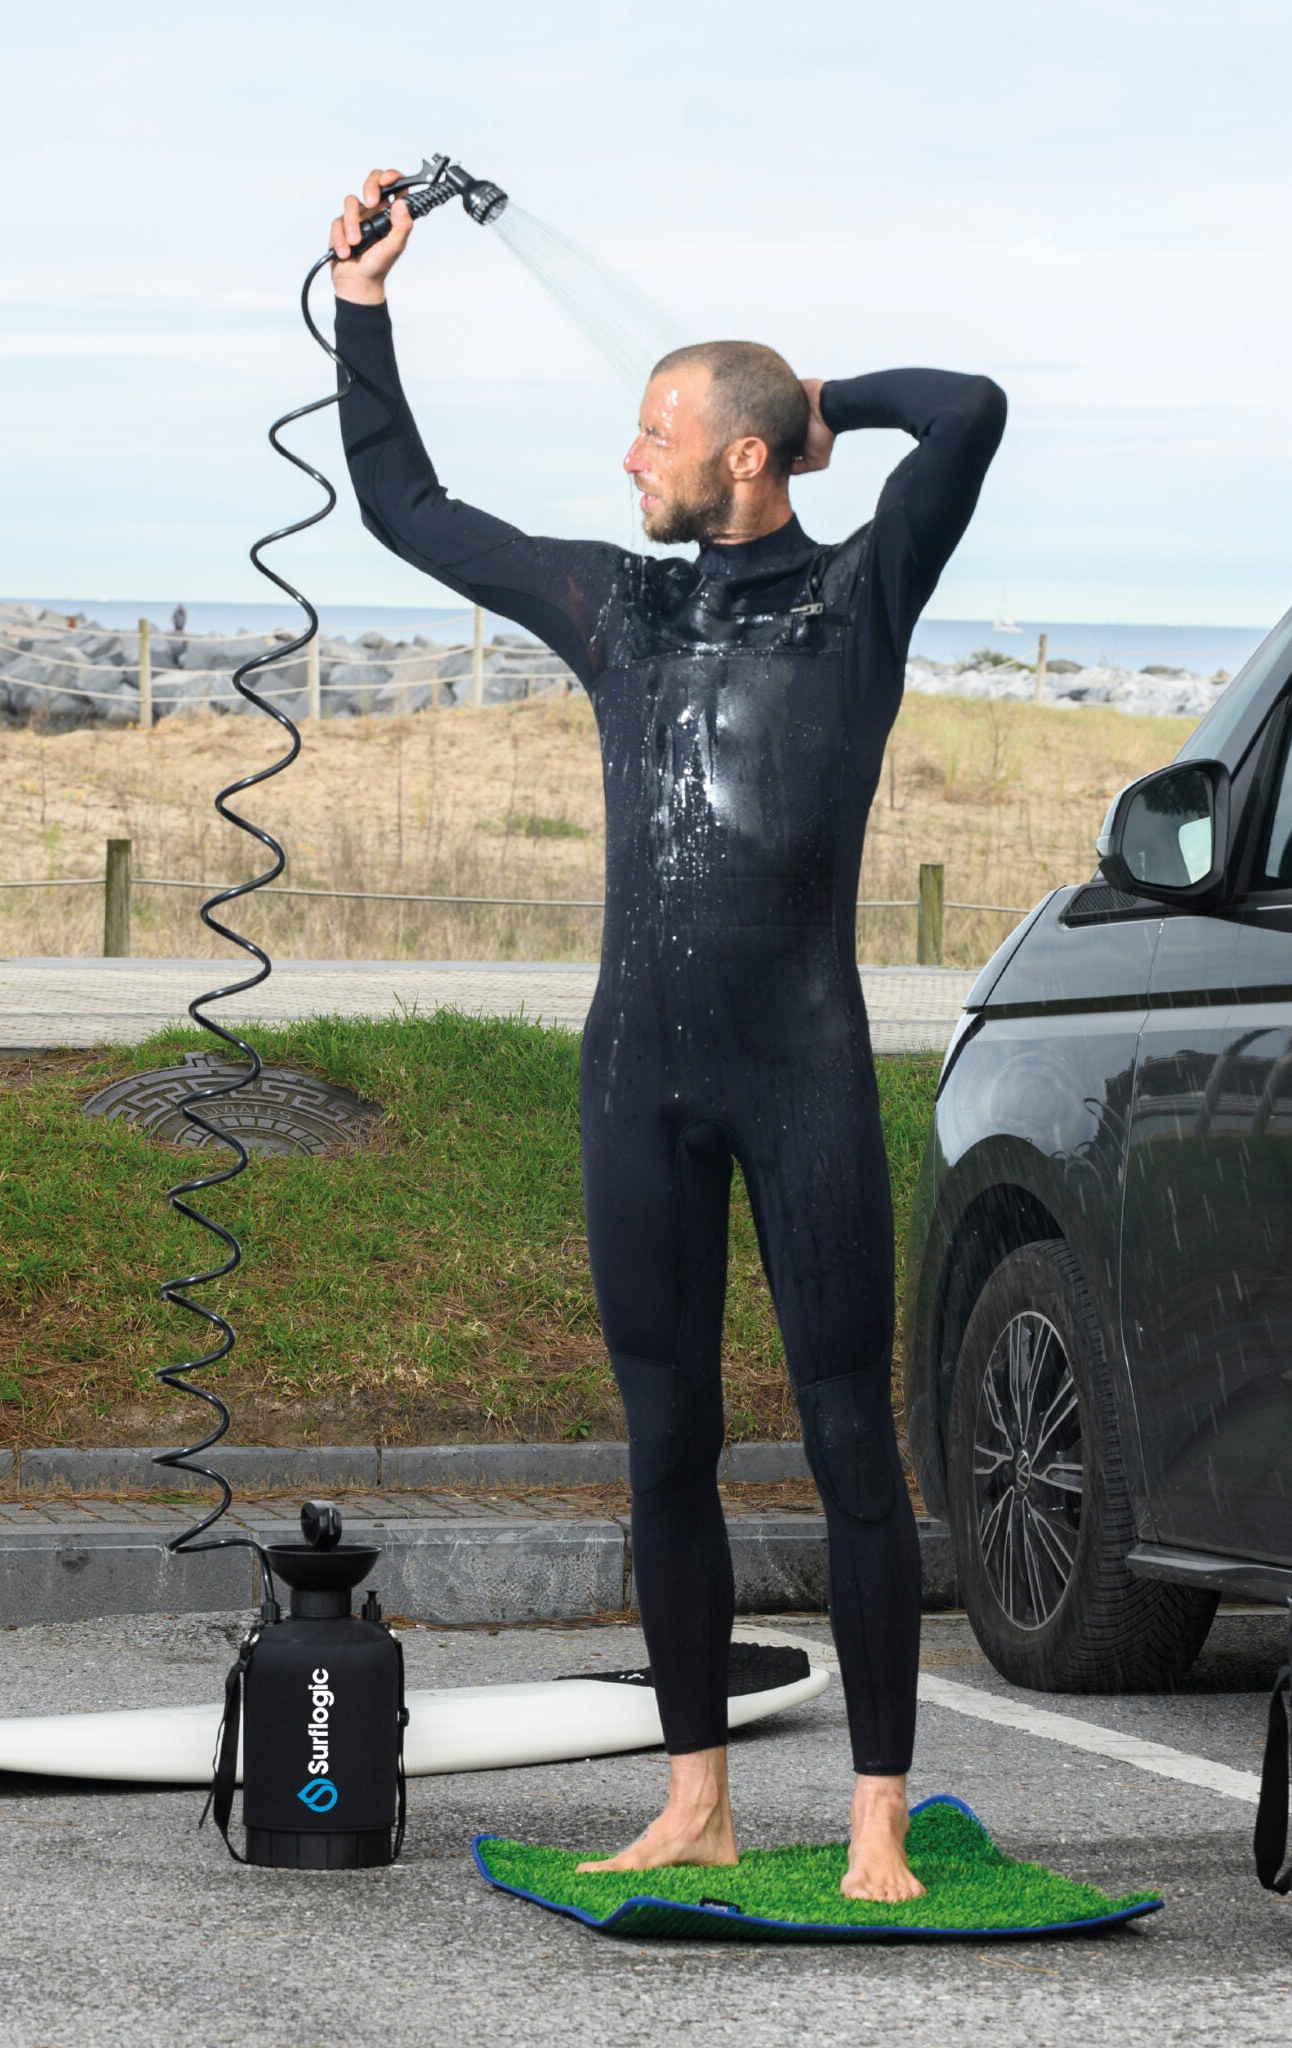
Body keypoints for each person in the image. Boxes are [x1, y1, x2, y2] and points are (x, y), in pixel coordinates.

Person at [330, 167, 1005, 1903]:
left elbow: (970, 408)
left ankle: (873, 1814)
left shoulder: (858, 599)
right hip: (637, 1077)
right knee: (663, 1445)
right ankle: (695, 1797)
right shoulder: (615, 608)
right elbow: (406, 506)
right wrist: (366, 305)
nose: (631, 458)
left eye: (658, 432)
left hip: (802, 1075)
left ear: (746, 457)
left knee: (850, 1443)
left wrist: (818, 397)